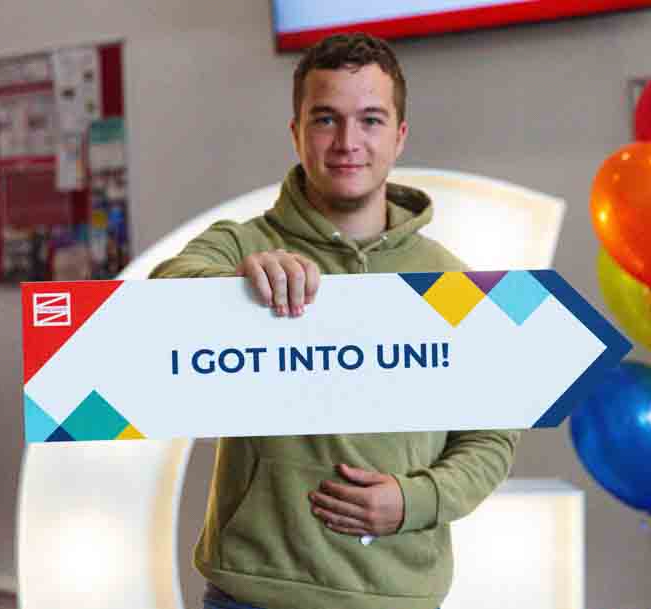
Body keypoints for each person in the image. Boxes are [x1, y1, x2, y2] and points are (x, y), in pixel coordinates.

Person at [150, 33, 519, 609]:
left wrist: (414, 500)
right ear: (296, 132)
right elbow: (161, 298)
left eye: (370, 120)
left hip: (398, 593)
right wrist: (234, 288)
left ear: (399, 137)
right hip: (252, 593)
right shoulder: (243, 244)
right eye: (326, 120)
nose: (348, 142)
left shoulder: (451, 283)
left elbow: (490, 436)